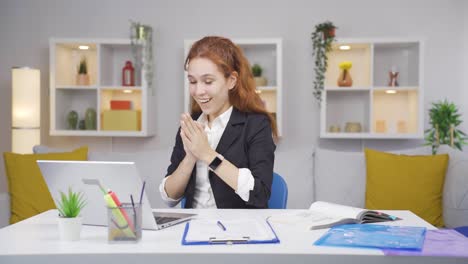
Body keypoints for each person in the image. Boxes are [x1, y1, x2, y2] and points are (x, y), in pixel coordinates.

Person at [159, 36, 278, 209]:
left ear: (231, 81)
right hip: (194, 227)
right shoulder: (191, 127)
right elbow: (170, 197)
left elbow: (259, 194)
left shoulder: (256, 125)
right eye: (192, 81)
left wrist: (207, 154)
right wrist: (191, 157)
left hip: (239, 230)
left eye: (208, 81)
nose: (199, 91)